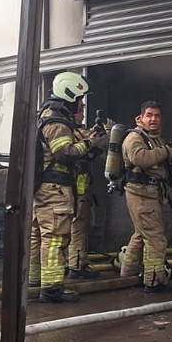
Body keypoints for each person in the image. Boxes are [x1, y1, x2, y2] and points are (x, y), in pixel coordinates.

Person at [29, 72, 108, 303]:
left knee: (39, 236)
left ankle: (35, 281)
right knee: (55, 238)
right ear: (70, 94)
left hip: (45, 188)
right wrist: (92, 142)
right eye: (80, 100)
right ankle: (51, 288)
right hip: (55, 189)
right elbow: (64, 154)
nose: (81, 104)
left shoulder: (50, 116)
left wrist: (86, 137)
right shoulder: (55, 122)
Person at [119, 101, 172, 293]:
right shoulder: (134, 137)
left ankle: (127, 275)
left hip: (150, 194)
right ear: (141, 117)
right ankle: (154, 282)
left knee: (141, 235)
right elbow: (140, 159)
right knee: (155, 239)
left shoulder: (154, 138)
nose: (153, 119)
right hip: (141, 195)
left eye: (157, 115)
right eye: (149, 115)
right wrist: (167, 152)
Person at [66, 99, 101, 280]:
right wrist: (96, 138)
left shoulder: (71, 130)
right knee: (78, 226)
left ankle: (70, 262)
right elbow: (84, 145)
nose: (83, 113)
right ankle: (76, 265)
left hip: (74, 186)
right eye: (80, 110)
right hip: (78, 187)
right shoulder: (71, 131)